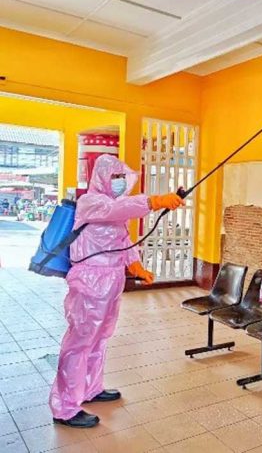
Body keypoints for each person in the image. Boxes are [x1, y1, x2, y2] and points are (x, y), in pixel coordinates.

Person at [49, 154, 184, 428]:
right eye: (115, 177)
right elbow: (117, 209)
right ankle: (65, 407)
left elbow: (123, 239)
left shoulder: (115, 208)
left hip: (111, 281)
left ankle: (90, 388)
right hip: (89, 281)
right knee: (80, 342)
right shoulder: (91, 202)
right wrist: (155, 201)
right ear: (101, 177)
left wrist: (136, 267)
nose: (120, 182)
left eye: (122, 177)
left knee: (100, 337)